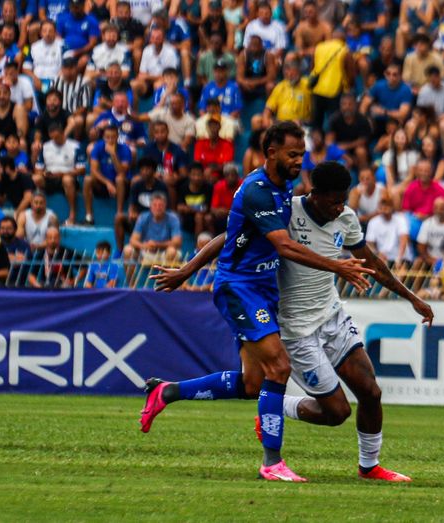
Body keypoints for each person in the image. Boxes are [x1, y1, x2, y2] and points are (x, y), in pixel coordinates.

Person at [155, 161, 433, 481]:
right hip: (297, 330)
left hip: (332, 317)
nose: (340, 207)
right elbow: (229, 237)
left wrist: (411, 297)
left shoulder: (347, 218)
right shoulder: (289, 212)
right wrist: (187, 270)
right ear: (315, 195)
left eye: (344, 199)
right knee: (337, 413)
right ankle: (276, 405)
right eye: (334, 200)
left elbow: (372, 262)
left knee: (370, 391)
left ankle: (369, 467)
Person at [137, 122, 373, 482]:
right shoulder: (257, 191)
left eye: (302, 154)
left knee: (252, 384)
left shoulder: (284, 188)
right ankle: (271, 462)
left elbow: (230, 234)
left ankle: (165, 392)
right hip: (240, 287)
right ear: (271, 153)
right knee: (279, 368)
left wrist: (186, 270)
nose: (299, 161)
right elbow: (285, 246)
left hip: (262, 288)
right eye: (293, 154)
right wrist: (337, 266)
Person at [34, 123, 85, 225]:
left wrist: (62, 174)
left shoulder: (75, 146)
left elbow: (81, 169)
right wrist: (44, 174)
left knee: (67, 179)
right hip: (50, 178)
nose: (55, 140)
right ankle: (38, 211)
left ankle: (72, 214)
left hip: (67, 176)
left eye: (57, 137)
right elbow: (38, 168)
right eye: (52, 138)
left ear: (62, 134)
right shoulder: (45, 146)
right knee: (36, 178)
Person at [84, 124, 132, 226]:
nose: (110, 140)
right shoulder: (98, 147)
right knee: (88, 179)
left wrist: (113, 155)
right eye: (107, 137)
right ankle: (89, 216)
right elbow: (93, 170)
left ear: (118, 137)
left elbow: (122, 172)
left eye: (113, 137)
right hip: (104, 183)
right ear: (103, 137)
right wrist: (107, 183)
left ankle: (119, 213)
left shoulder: (125, 149)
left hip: (121, 184)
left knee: (119, 178)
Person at [124, 192, 182, 262]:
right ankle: (131, 273)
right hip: (146, 251)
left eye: (160, 205)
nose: (157, 208)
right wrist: (144, 246)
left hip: (164, 252)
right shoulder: (143, 217)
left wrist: (157, 244)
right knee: (128, 250)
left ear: (165, 206)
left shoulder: (173, 218)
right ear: (150, 206)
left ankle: (166, 273)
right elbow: (133, 240)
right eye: (155, 205)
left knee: (172, 251)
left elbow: (177, 242)